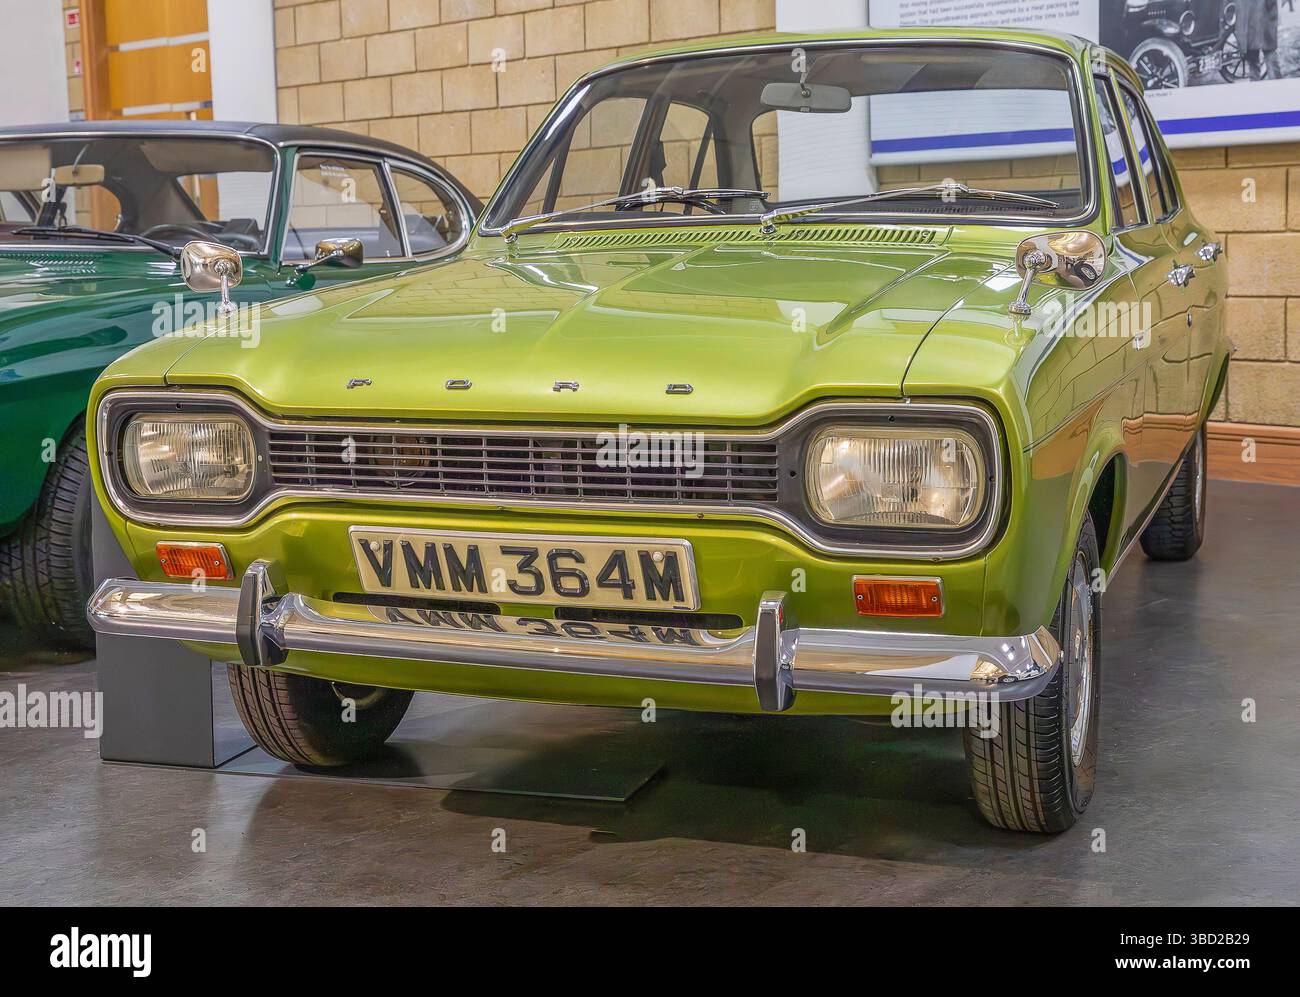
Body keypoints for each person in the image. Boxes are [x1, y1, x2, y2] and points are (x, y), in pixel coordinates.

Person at [1237, 0, 1283, 79]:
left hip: (1247, 21)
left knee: (1253, 62)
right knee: (1269, 55)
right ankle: (1276, 83)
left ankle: (1256, 83)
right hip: (1263, 19)